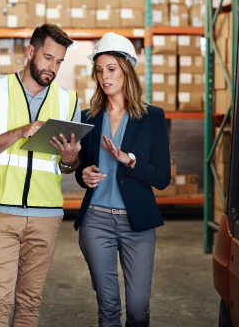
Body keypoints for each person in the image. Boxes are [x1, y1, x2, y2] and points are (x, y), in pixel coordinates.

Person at [0, 24, 82, 327]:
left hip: (46, 217)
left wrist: (71, 160)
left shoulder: (69, 101)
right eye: (47, 58)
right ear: (30, 52)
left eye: (59, 62)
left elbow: (67, 167)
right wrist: (19, 132)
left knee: (30, 305)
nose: (52, 67)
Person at [74, 32, 171, 327]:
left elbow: (163, 177)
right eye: (100, 70)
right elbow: (82, 169)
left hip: (136, 223)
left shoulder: (152, 117)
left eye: (112, 69)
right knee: (108, 308)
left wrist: (129, 160)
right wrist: (83, 173)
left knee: (139, 309)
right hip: (96, 221)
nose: (105, 77)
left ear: (127, 69)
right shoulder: (88, 118)